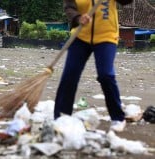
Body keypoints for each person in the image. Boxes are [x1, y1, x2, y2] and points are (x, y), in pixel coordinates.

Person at [54, 0, 133, 132]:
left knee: (106, 75)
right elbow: (69, 8)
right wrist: (78, 18)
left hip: (106, 36)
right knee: (69, 76)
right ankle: (61, 117)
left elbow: (126, 1)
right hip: (80, 36)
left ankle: (118, 117)